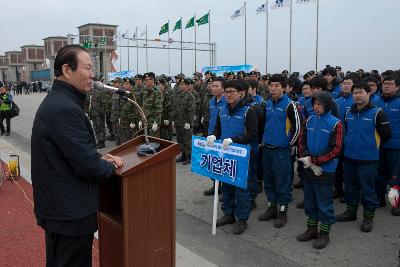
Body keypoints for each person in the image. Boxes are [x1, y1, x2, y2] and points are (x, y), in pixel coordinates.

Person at [31, 45, 123, 267]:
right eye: (88, 68)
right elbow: (88, 166)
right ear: (67, 70)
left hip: (61, 210)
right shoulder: (64, 108)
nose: (93, 75)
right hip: (69, 214)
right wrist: (110, 166)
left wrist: (99, 158)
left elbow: (73, 152)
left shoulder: (61, 102)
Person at [337, 81, 391, 231]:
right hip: (349, 157)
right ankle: (351, 212)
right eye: (355, 93)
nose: (358, 95)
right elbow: (346, 131)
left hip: (368, 159)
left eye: (361, 92)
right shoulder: (349, 112)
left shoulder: (377, 113)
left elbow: (386, 135)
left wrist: (371, 146)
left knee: (368, 190)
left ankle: (368, 218)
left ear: (369, 94)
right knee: (350, 187)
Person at [207, 80, 258, 235]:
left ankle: (242, 219)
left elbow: (252, 134)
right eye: (227, 91)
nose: (228, 94)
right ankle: (228, 214)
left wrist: (234, 140)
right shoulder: (221, 110)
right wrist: (213, 135)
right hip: (225, 155)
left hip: (241, 156)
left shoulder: (249, 111)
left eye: (232, 92)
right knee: (227, 186)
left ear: (241, 93)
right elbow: (217, 128)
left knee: (241, 189)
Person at [297, 91, 343, 249]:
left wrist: (315, 161)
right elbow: (301, 140)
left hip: (326, 170)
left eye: (319, 104)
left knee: (324, 202)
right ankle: (311, 229)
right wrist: (308, 159)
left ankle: (324, 233)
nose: (315, 107)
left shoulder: (335, 123)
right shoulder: (309, 120)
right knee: (310, 201)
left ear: (327, 105)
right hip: (309, 167)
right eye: (314, 104)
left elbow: (335, 150)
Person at [258, 74, 301, 228]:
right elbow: (264, 125)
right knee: (268, 181)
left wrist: (289, 145)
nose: (274, 88)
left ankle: (283, 211)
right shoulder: (267, 104)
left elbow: (297, 128)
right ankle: (272, 207)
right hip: (267, 149)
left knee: (282, 182)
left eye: (277, 86)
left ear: (284, 87)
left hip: (282, 151)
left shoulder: (290, 105)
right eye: (271, 85)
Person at [375, 75, 400, 214]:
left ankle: (397, 202)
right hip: (379, 145)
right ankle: (380, 197)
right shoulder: (377, 100)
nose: (386, 86)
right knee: (379, 173)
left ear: (397, 87)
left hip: (396, 145)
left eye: (390, 84)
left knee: (396, 175)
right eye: (385, 83)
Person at [172, 78, 195, 165]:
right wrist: (173, 120)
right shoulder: (178, 95)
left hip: (186, 122)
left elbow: (191, 110)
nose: (181, 86)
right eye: (180, 84)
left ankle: (188, 157)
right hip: (178, 121)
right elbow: (174, 108)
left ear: (187, 86)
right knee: (180, 139)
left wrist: (189, 122)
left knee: (187, 140)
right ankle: (183, 155)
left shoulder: (190, 96)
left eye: (183, 84)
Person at [141, 72, 164, 138]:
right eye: (145, 80)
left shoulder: (157, 91)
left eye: (148, 79)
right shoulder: (145, 90)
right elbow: (143, 105)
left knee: (154, 142)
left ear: (153, 80)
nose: (146, 81)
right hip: (146, 120)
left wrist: (156, 122)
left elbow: (159, 109)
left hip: (153, 121)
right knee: (146, 140)